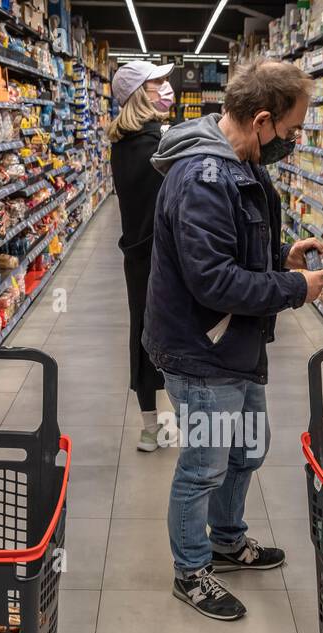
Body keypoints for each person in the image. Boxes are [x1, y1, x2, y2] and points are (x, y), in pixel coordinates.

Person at [144, 59, 323, 621]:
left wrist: (278, 260)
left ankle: (226, 538)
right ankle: (191, 571)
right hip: (202, 352)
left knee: (247, 449)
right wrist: (292, 287)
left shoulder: (239, 166)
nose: (291, 144)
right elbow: (212, 281)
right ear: (263, 119)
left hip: (234, 347)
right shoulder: (205, 178)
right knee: (204, 464)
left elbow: (234, 256)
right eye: (291, 133)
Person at [108, 60, 177, 452]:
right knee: (172, 335)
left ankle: (150, 427)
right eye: (157, 83)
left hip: (135, 253)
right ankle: (172, 423)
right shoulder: (156, 147)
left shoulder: (122, 143)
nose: (165, 88)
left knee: (142, 334)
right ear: (141, 94)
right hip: (163, 255)